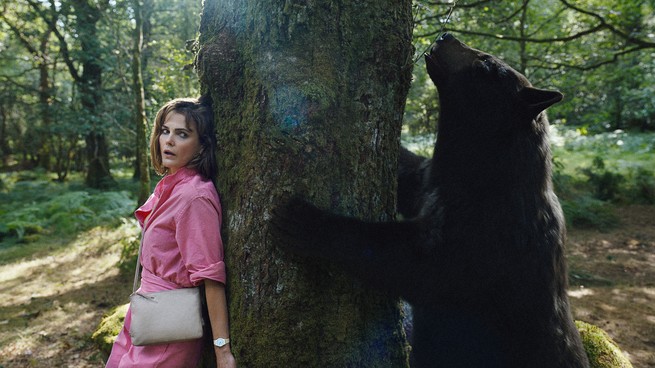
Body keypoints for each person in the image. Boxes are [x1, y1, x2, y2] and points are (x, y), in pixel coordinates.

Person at [106, 97, 236, 368]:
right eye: (165, 131)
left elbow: (211, 277)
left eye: (182, 134)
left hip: (169, 328)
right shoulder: (171, 185)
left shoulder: (194, 197)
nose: (169, 141)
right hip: (146, 313)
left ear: (202, 145)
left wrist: (222, 350)